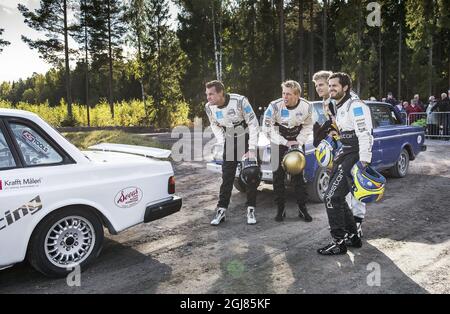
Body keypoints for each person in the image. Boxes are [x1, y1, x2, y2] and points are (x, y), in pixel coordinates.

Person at [317, 72, 373, 255]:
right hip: (343, 153)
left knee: (331, 197)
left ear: (346, 87)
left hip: (354, 155)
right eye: (330, 85)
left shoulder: (355, 106)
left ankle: (338, 242)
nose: (331, 88)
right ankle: (353, 237)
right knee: (338, 198)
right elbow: (341, 134)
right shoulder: (339, 106)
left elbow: (365, 135)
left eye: (335, 85)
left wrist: (363, 162)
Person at [205, 80, 260, 225]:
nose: (208, 98)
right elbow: (214, 125)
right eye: (207, 94)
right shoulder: (209, 107)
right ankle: (221, 210)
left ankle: (251, 209)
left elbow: (253, 124)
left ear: (221, 93)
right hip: (229, 138)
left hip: (246, 137)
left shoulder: (240, 101)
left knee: (251, 174)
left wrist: (252, 148)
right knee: (227, 177)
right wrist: (223, 142)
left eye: (211, 94)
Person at [262, 80, 313, 222]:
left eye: (289, 94)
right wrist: (285, 142)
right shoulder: (274, 106)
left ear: (297, 95)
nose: (285, 96)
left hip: (296, 140)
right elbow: (267, 129)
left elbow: (308, 125)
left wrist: (299, 141)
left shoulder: (306, 106)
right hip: (278, 140)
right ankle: (280, 209)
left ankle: (303, 209)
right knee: (278, 177)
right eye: (283, 93)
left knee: (298, 177)